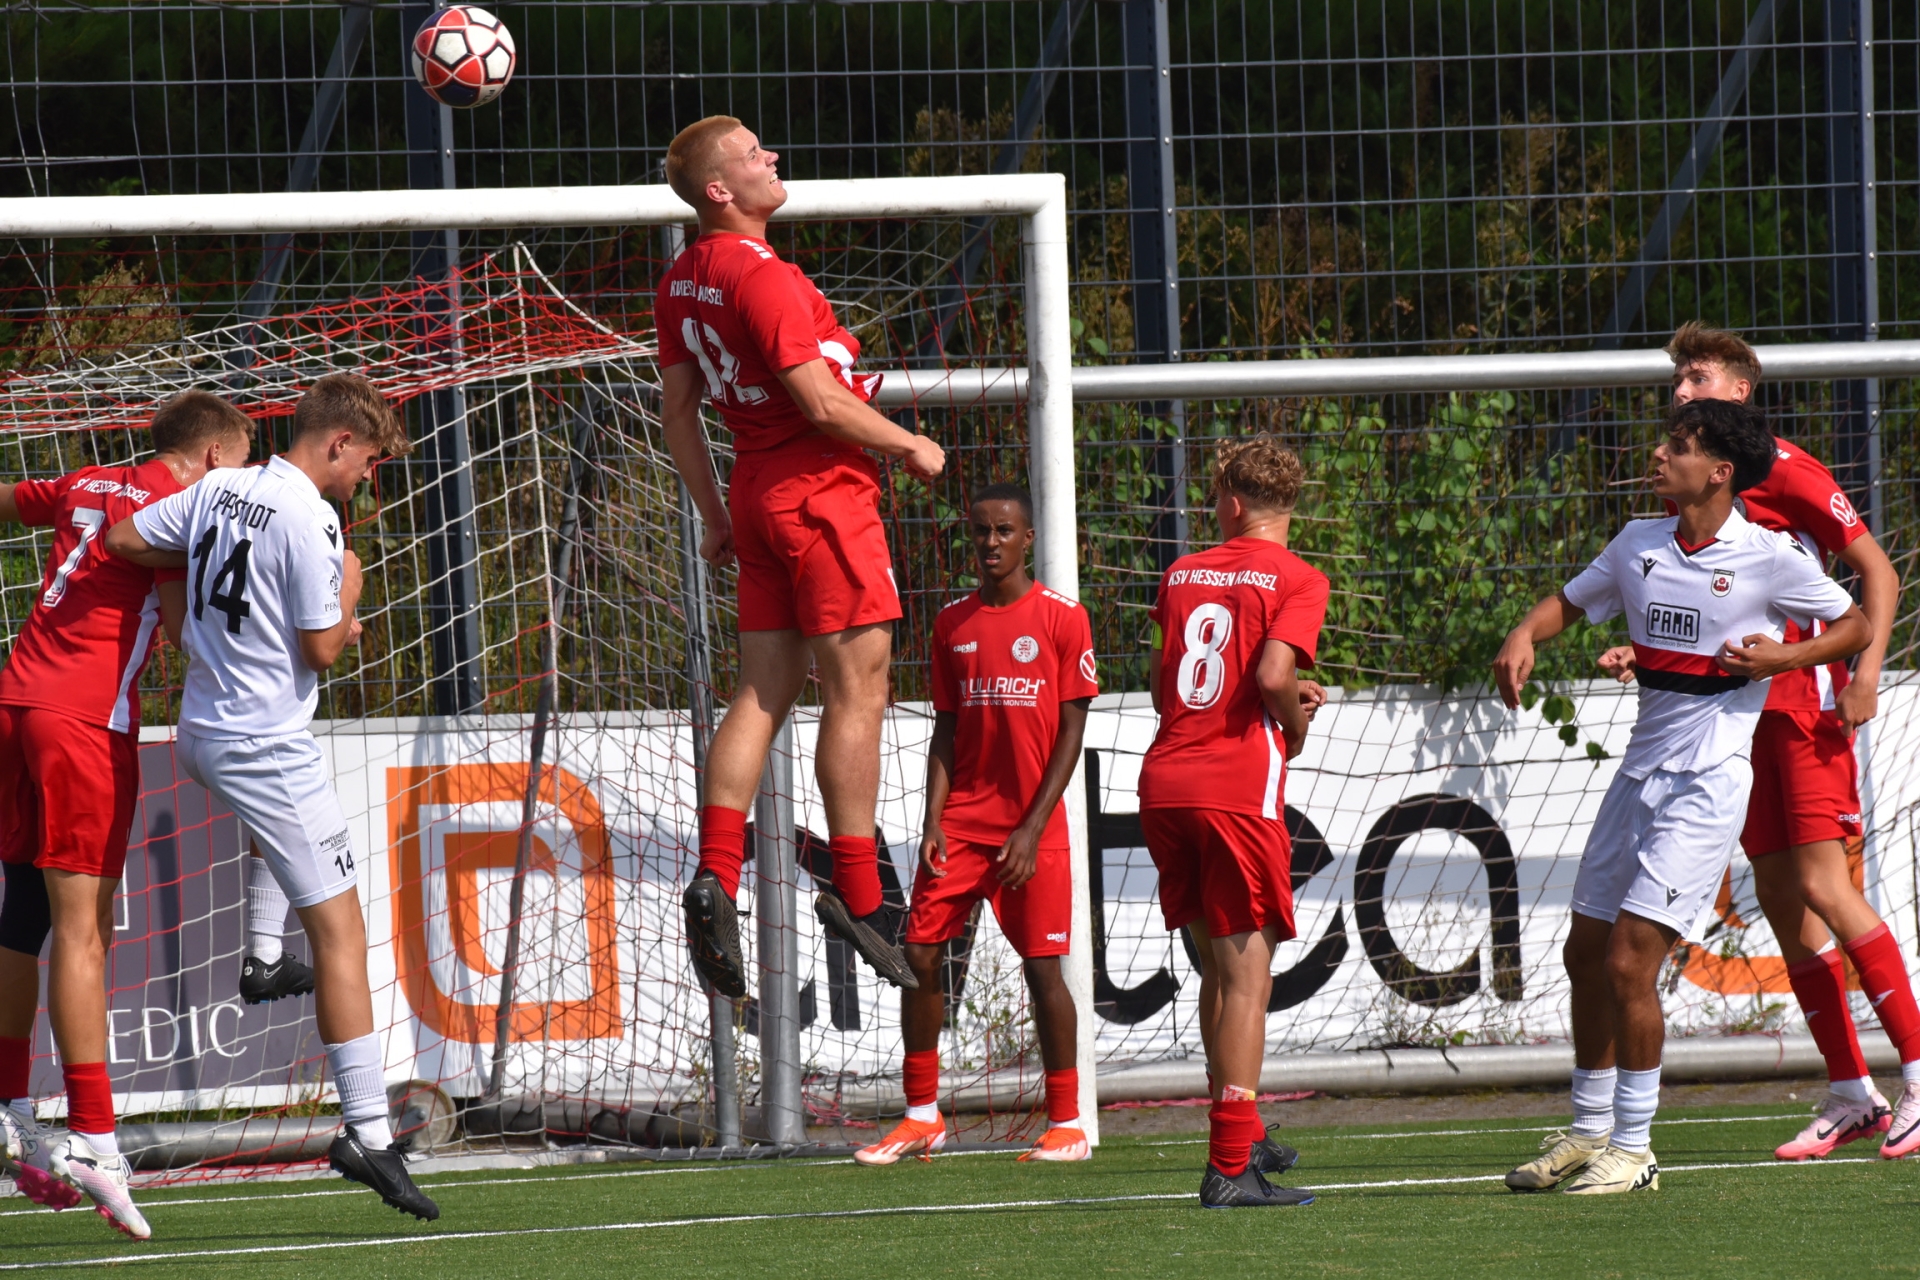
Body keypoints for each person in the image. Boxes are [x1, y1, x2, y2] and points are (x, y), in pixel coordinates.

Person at [1495, 397, 1870, 1195]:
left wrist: (1782, 659)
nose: (1660, 455)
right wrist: (1525, 632)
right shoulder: (1639, 542)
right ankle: (1588, 1132)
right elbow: (1570, 601)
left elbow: (1856, 624)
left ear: (1719, 472)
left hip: (1707, 786)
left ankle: (1635, 1149)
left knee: (1631, 958)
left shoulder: (1768, 556)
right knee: (1584, 954)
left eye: (1678, 446)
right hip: (1637, 778)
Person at [105, 373, 438, 1222]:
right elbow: (322, 648)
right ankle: (369, 1132)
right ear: (337, 442)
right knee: (343, 934)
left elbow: (127, 538)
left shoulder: (220, 487)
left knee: (289, 848)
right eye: (368, 461)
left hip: (204, 730)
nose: (367, 478)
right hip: (263, 746)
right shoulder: (313, 519)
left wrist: (202, 603)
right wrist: (351, 585)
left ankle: (260, 954)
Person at [1595, 323, 1919, 1161]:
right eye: (1677, 377)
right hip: (1735, 723)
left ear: (1741, 389)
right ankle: (1850, 1090)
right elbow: (1710, 598)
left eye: (1698, 375)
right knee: (1779, 900)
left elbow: (1877, 573)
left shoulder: (1786, 469)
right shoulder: (1693, 490)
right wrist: (1646, 650)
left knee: (1825, 886)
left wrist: (1866, 673)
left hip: (1803, 706)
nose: (1681, 389)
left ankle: (1919, 1075)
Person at [656, 115, 947, 997]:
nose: (771, 157)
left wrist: (714, 515)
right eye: (753, 154)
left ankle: (716, 872)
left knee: (761, 691)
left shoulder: (680, 281)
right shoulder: (762, 276)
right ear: (719, 190)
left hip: (754, 492)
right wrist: (908, 444)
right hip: (821, 494)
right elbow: (820, 402)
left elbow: (678, 415)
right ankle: (863, 895)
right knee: (859, 690)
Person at [0, 390, 253, 1238]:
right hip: (81, 722)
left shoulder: (86, 481)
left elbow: (10, 498)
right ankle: (97, 1139)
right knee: (85, 933)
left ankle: (8, 1107)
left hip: (14, 703)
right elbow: (185, 634)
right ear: (212, 456)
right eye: (239, 464)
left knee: (22, 916)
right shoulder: (176, 511)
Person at [853, 485, 1098, 1166]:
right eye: (981, 530)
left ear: (1028, 538)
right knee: (919, 956)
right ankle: (921, 1116)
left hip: (1031, 830)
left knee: (1043, 970)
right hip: (962, 824)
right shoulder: (951, 623)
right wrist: (933, 818)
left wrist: (1031, 827)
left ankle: (1068, 1124)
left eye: (1004, 531)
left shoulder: (1063, 618)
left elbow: (1072, 731)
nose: (991, 542)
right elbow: (947, 728)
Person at [1140, 437, 1328, 1209]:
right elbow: (1274, 673)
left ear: (1232, 502)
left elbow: (1165, 687)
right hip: (1235, 788)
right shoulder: (1300, 578)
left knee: (1218, 972)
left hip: (1165, 780)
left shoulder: (1182, 573)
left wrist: (1267, 695)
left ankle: (1243, 1135)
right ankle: (1228, 1166)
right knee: (1250, 980)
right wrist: (1295, 721)